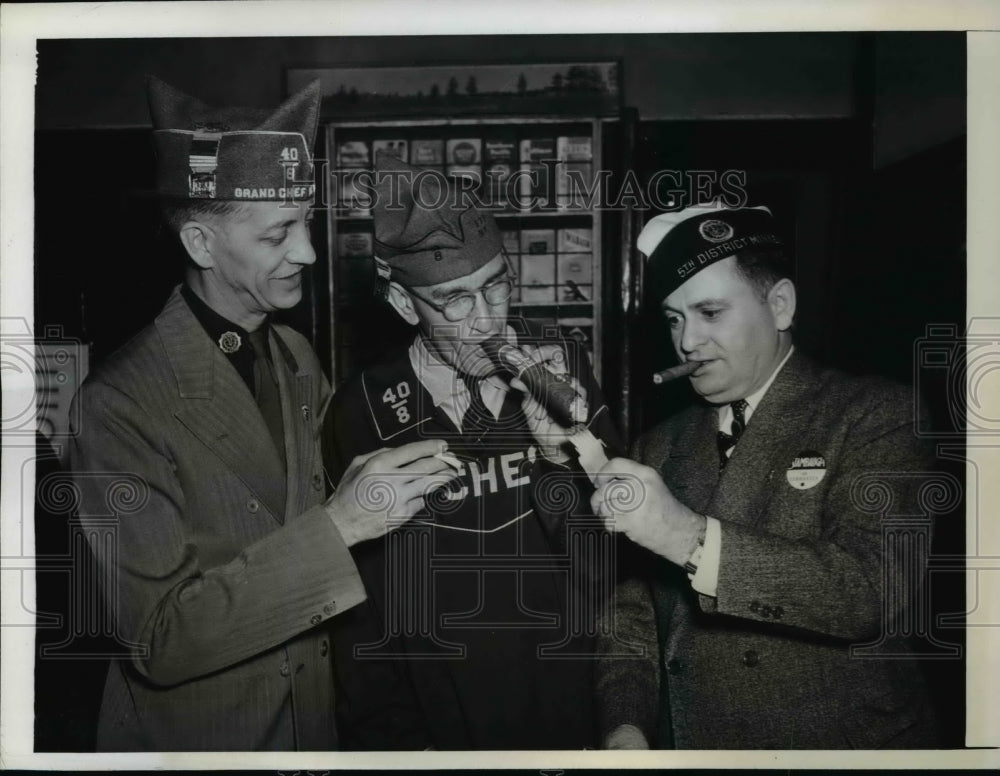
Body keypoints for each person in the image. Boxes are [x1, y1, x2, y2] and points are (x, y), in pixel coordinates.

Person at [67, 78, 458, 751]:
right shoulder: (118, 403)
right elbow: (160, 641)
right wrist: (341, 522)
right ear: (200, 244)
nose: (307, 251)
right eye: (279, 231)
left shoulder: (298, 356)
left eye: (305, 219)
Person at [592, 202, 940, 749]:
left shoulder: (876, 416)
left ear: (779, 305)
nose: (686, 342)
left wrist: (684, 535)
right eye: (674, 318)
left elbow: (869, 593)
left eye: (709, 313)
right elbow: (633, 618)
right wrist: (627, 723)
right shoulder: (658, 445)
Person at [326, 152, 624, 750]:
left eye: (496, 286)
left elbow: (616, 569)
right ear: (406, 304)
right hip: (442, 719)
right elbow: (358, 603)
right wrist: (393, 740)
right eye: (456, 300)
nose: (487, 321)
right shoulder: (360, 409)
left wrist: (563, 460)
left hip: (572, 696)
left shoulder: (562, 371)